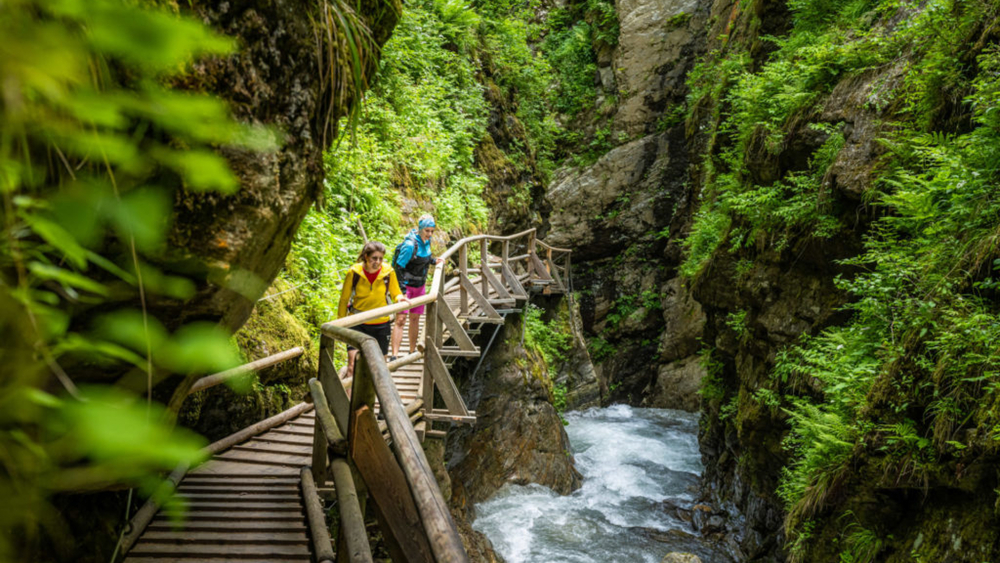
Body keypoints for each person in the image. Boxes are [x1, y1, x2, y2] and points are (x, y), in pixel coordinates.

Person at [337, 241, 410, 378]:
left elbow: (396, 293)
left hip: (381, 324)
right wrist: (341, 324)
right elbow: (344, 300)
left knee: (380, 367)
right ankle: (348, 399)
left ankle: (375, 398)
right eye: (374, 258)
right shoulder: (354, 273)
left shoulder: (388, 272)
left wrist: (400, 298)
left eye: (380, 259)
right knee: (352, 365)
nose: (377, 262)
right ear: (366, 257)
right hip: (357, 323)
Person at [390, 215, 442, 360]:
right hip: (406, 287)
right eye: (427, 231)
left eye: (432, 231)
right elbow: (398, 268)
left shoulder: (427, 241)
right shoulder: (410, 245)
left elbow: (423, 259)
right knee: (400, 319)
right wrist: (402, 291)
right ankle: (394, 355)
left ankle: (412, 351)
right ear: (420, 229)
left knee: (415, 319)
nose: (430, 234)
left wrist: (433, 261)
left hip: (420, 286)